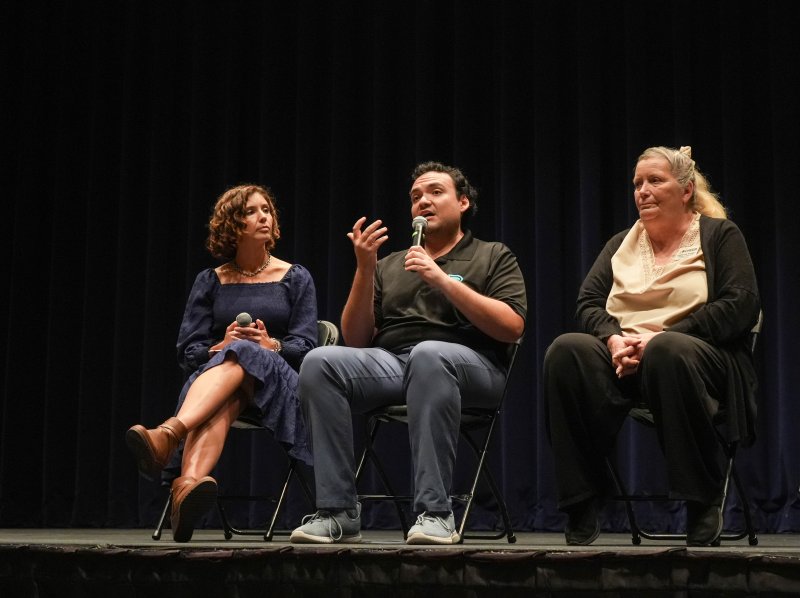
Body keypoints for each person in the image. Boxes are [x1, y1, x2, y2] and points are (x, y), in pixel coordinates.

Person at [289, 161, 527, 545]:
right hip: (396, 363)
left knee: (430, 355)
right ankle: (338, 511)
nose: (423, 202)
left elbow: (511, 326)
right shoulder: (391, 264)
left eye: (435, 192)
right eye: (416, 197)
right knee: (320, 362)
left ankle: (436, 513)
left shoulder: (492, 255)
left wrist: (441, 279)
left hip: (471, 364)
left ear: (463, 202)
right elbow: (357, 339)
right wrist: (365, 269)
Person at [544, 146, 760, 546]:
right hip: (627, 360)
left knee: (668, 351)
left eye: (655, 181)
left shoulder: (719, 236)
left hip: (699, 359)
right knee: (566, 351)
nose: (642, 191)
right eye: (637, 183)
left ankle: (701, 501)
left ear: (685, 190)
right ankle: (582, 500)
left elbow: (741, 304)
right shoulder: (619, 244)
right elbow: (587, 303)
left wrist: (661, 335)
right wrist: (613, 339)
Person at [126, 184, 318, 542]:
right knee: (225, 396)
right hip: (219, 386)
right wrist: (222, 346)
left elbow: (309, 348)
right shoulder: (210, 281)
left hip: (279, 385)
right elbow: (188, 353)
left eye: (267, 210)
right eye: (250, 211)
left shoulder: (295, 277)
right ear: (232, 224)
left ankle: (168, 434)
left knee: (245, 354)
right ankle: (187, 487)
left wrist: (270, 344)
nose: (263, 216)